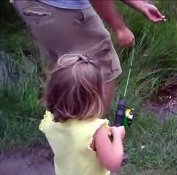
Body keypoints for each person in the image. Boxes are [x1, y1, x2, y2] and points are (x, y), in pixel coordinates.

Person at [12, 0, 165, 114]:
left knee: (63, 67)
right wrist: (120, 28)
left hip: (30, 5)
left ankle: (63, 133)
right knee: (103, 68)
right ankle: (94, 140)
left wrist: (138, 4)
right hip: (62, 7)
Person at [39, 53, 125, 175]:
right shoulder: (96, 130)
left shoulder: (49, 121)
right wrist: (117, 136)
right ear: (93, 98)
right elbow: (113, 163)